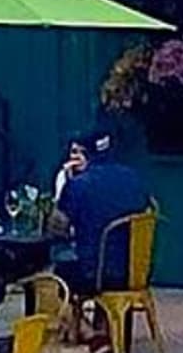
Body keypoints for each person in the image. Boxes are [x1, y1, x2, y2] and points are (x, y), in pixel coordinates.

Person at [55, 119, 150, 285]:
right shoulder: (133, 178)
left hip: (94, 274)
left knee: (53, 265)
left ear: (85, 154)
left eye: (76, 152)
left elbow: (57, 228)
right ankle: (110, 311)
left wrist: (63, 185)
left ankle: (47, 311)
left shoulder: (79, 184)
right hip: (136, 271)